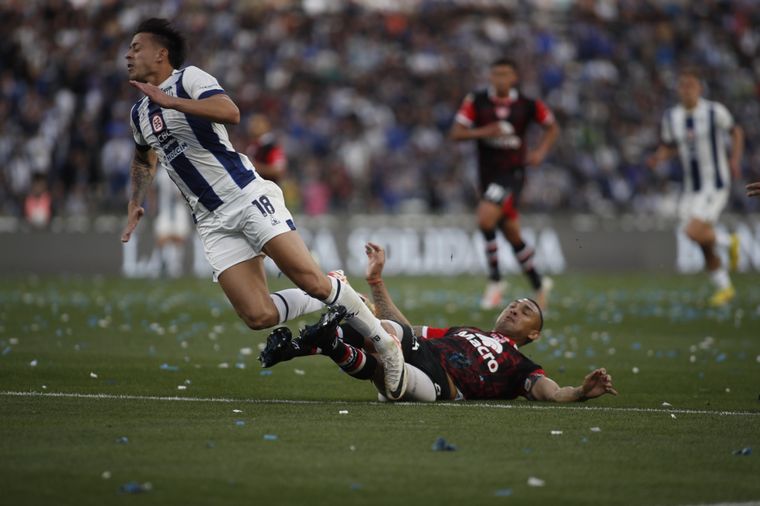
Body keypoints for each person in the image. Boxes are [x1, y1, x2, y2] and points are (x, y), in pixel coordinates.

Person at [119, 18, 407, 399]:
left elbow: (230, 111)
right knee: (258, 316)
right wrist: (136, 202)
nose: (128, 54)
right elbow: (144, 159)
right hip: (211, 220)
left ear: (161, 53)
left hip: (245, 195)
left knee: (311, 281)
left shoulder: (188, 79)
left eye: (136, 47)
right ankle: (339, 285)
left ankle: (385, 345)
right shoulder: (139, 113)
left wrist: (172, 102)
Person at [260, 243, 617, 404]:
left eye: (524, 312)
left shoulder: (523, 368)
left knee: (390, 382)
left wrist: (582, 393)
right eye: (512, 304)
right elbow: (405, 328)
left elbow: (553, 394)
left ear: (533, 334)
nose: (512, 311)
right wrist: (376, 283)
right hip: (422, 349)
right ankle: (317, 341)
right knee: (380, 328)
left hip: (440, 384)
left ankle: (326, 343)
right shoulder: (466, 332)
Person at [449, 58, 559, 310]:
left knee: (485, 220)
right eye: (496, 74)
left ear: (514, 78)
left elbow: (552, 127)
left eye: (506, 74)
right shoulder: (476, 101)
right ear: (490, 76)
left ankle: (496, 279)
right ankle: (539, 283)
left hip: (513, 173)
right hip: (487, 175)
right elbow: (456, 133)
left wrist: (540, 152)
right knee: (511, 233)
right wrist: (485, 131)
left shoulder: (528, 104)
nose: (500, 79)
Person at [648, 68, 744, 306]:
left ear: (700, 88)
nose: (687, 90)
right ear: (679, 90)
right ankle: (725, 288)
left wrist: (734, 160)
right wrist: (659, 157)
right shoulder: (672, 118)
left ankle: (729, 241)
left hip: (715, 184)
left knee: (692, 232)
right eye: (683, 86)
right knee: (701, 241)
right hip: (692, 188)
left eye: (691, 85)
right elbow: (673, 145)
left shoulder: (714, 111)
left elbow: (737, 132)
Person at [152, 167, 191, 278]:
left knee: (180, 237)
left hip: (179, 209)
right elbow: (153, 188)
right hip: (164, 208)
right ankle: (161, 264)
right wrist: (153, 204)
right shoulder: (162, 171)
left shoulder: (182, 168)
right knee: (162, 237)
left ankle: (175, 266)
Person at [245, 114, 287, 184]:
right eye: (252, 122)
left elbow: (279, 171)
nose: (253, 125)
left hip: (268, 191)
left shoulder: (273, 145)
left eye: (258, 122)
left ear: (267, 126)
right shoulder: (253, 146)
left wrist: (254, 167)